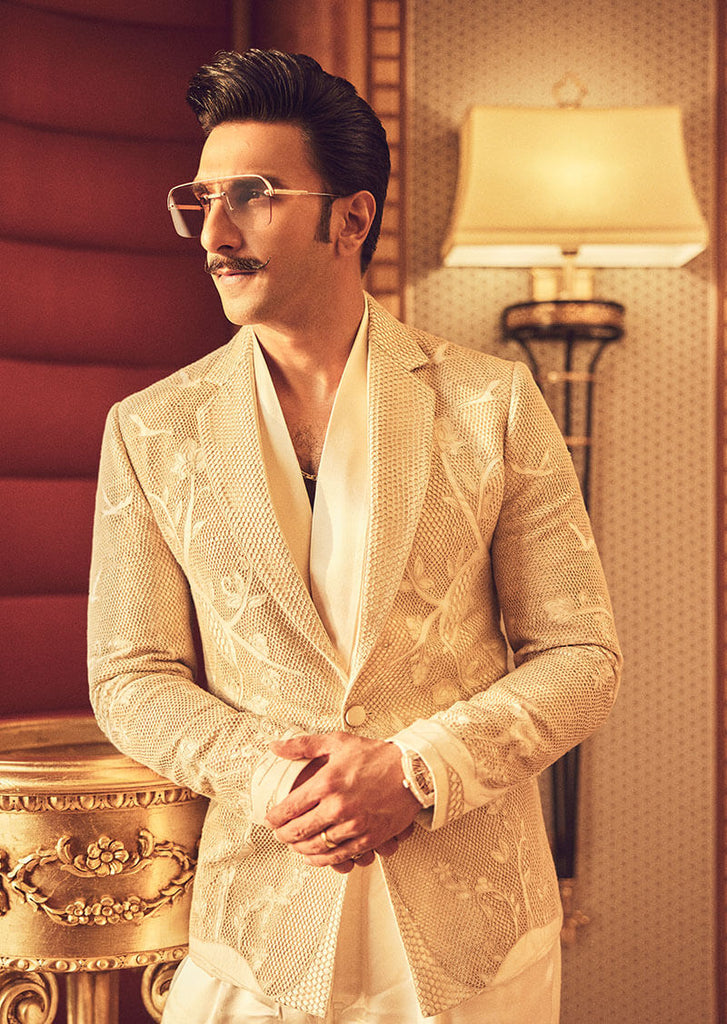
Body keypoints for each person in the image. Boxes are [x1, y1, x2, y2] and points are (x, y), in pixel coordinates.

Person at [87, 48, 622, 1024]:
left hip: (476, 942)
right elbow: (131, 674)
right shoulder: (149, 429)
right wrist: (277, 776)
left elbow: (580, 655)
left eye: (252, 196)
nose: (215, 233)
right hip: (256, 936)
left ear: (352, 217)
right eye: (199, 201)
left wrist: (417, 771)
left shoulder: (493, 403)